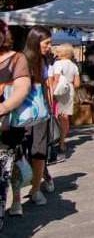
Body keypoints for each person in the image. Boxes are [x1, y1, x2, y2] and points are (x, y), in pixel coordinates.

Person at [0, 20, 32, 227]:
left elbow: (22, 89)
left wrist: (2, 109)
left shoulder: (16, 59)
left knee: (1, 176)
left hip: (4, 128)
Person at [22, 26, 55, 207]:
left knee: (39, 149)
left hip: (41, 112)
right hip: (22, 113)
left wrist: (50, 109)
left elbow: (46, 86)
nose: (49, 46)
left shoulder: (43, 61)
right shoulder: (22, 60)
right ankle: (43, 175)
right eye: (47, 43)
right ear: (36, 42)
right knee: (23, 150)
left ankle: (35, 190)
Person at [50, 43, 80, 159]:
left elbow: (56, 79)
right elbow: (77, 84)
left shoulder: (57, 64)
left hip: (58, 90)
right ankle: (62, 142)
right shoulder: (74, 66)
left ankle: (55, 139)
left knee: (55, 115)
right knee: (65, 117)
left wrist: (51, 91)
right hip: (69, 91)